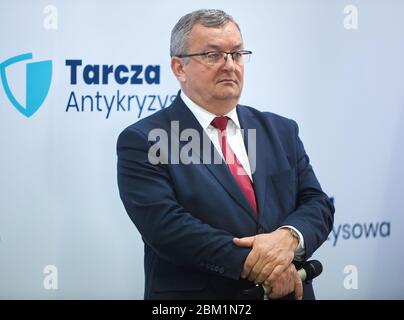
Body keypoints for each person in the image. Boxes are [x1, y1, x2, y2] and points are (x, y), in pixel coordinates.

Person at [117, 9, 334, 300]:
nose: (229, 65)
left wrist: (288, 238)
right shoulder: (145, 139)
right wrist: (266, 266)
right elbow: (168, 228)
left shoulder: (280, 130)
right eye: (213, 55)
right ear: (179, 68)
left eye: (236, 54)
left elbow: (317, 203)